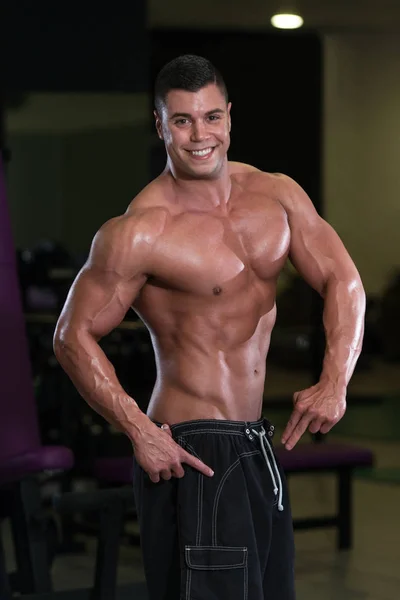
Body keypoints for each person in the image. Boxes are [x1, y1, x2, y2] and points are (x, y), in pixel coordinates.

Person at [54, 54, 366, 600]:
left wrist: (335, 379)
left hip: (254, 444)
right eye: (182, 120)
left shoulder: (278, 195)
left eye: (211, 117)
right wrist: (139, 431)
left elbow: (344, 279)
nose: (200, 135)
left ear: (229, 116)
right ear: (160, 125)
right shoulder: (141, 231)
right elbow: (71, 335)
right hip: (192, 448)